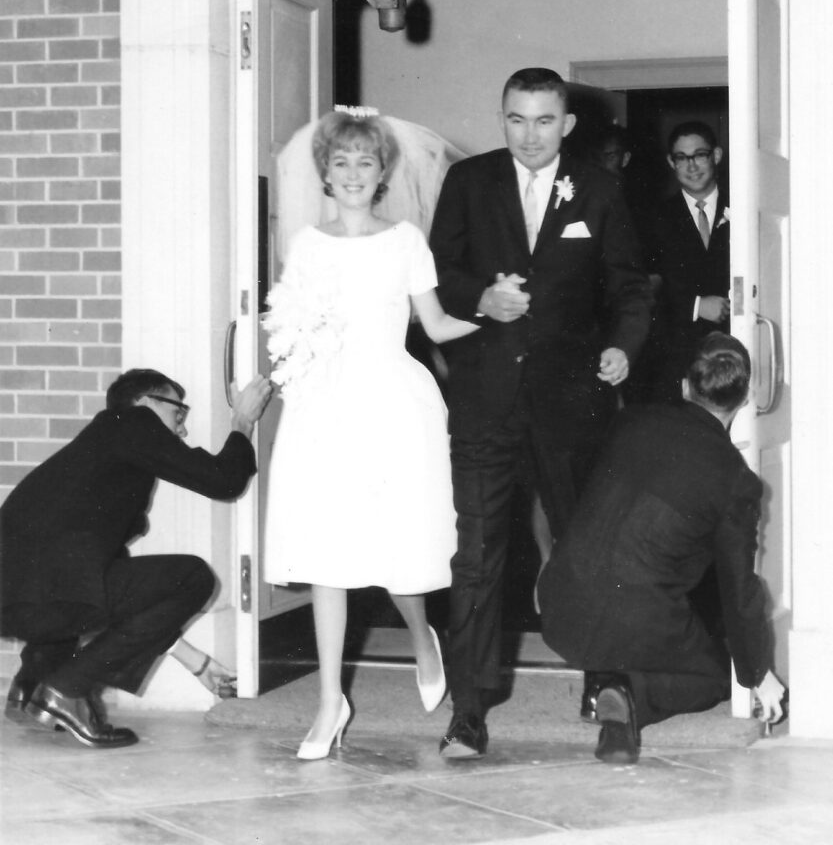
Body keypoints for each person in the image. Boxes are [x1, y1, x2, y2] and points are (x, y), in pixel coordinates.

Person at [429, 67, 652, 758]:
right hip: (484, 403)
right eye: (515, 120)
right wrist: (478, 300)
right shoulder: (469, 183)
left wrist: (620, 347)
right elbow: (436, 272)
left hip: (569, 405)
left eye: (544, 121)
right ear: (502, 119)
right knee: (476, 558)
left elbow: (631, 289)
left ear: (568, 124)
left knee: (584, 552)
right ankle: (468, 711)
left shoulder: (600, 188)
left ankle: (606, 687)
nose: (529, 135)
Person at [262, 108, 479, 761]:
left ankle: (419, 636)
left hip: (391, 404)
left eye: (364, 162)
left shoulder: (405, 240)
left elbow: (436, 327)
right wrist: (269, 383)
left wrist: (499, 319)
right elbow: (292, 331)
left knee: (394, 548)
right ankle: (331, 700)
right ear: (324, 173)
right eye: (340, 162)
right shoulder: (306, 244)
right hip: (323, 406)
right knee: (328, 553)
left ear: (382, 172)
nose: (352, 173)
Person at [539, 333, 786, 765]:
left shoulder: (632, 422)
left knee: (638, 592)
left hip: (560, 603)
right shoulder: (735, 480)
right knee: (712, 676)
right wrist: (757, 672)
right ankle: (625, 695)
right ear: (744, 399)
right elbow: (738, 588)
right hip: (631, 614)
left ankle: (608, 677)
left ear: (685, 386)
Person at [0, 368, 272, 748]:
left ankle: (30, 687)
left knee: (86, 585)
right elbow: (222, 480)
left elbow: (123, 599)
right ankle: (67, 691)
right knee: (192, 577)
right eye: (179, 414)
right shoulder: (130, 422)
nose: (182, 430)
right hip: (44, 596)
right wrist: (242, 422)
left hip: (17, 601)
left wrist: (195, 661)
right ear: (145, 403)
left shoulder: (100, 456)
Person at [649, 120, 730, 403]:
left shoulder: (747, 207)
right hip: (678, 356)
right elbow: (642, 289)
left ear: (716, 156)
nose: (692, 166)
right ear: (672, 162)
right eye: (682, 158)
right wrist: (696, 305)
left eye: (700, 155)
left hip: (736, 348)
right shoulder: (654, 218)